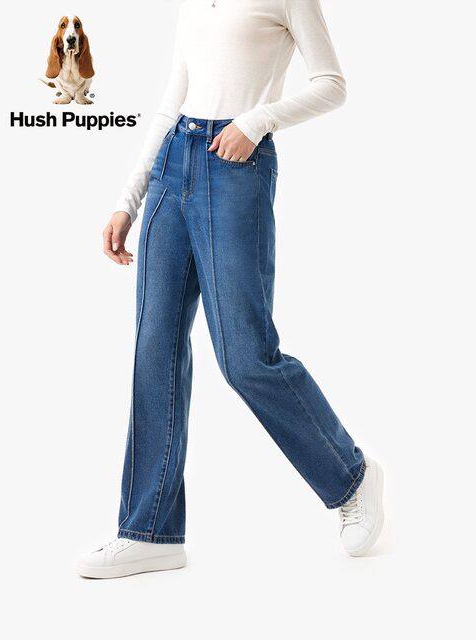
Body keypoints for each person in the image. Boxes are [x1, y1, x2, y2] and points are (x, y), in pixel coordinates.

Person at [77, 0, 384, 579]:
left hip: (236, 166)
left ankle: (351, 476)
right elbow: (172, 102)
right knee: (154, 350)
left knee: (245, 356)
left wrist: (257, 120)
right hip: (173, 166)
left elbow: (332, 84)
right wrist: (128, 200)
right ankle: (149, 532)